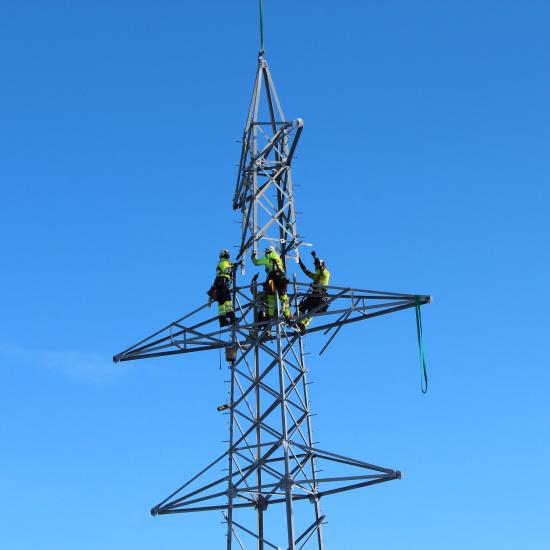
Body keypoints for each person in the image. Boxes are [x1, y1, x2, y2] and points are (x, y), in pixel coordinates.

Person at [251, 246, 291, 320]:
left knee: (271, 295)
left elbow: (257, 263)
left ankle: (271, 315)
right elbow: (282, 267)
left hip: (271, 278)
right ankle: (287, 314)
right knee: (284, 296)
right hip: (281, 277)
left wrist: (253, 256)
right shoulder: (278, 257)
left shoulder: (267, 256)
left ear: (267, 251)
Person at [296, 251, 331, 334]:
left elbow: (320, 268)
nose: (316, 267)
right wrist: (300, 263)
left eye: (317, 266)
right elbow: (306, 271)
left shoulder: (325, 272)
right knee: (302, 307)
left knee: (312, 309)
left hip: (320, 294)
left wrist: (315, 256)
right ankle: (298, 321)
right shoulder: (316, 275)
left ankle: (303, 324)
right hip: (314, 293)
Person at [207, 249, 235, 327]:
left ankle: (222, 320)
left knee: (221, 303)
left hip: (219, 283)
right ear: (225, 254)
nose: (229, 255)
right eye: (228, 254)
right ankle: (232, 317)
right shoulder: (224, 262)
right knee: (227, 299)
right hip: (223, 282)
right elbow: (226, 270)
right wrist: (233, 268)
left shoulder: (223, 262)